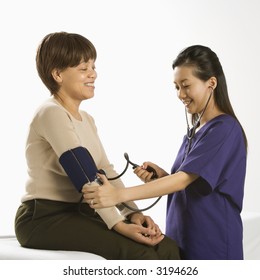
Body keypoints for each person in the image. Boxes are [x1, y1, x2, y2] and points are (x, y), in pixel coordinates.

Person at [14, 31, 180, 260]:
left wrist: (132, 214)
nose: (94, 74)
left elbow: (106, 172)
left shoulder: (87, 120)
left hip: (80, 211)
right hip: (42, 217)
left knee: (167, 247)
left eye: (93, 66)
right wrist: (118, 224)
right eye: (83, 69)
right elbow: (84, 174)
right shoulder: (51, 112)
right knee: (142, 254)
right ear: (57, 74)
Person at [84, 45, 248, 260]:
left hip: (213, 245)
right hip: (184, 240)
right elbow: (192, 184)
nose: (181, 94)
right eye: (176, 87)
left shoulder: (225, 129)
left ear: (212, 83)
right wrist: (162, 177)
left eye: (186, 85)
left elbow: (182, 180)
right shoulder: (195, 132)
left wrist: (118, 195)